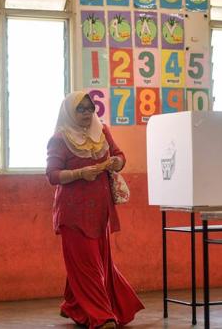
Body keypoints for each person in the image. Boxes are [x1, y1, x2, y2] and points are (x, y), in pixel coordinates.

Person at [46, 91, 144, 329]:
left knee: (93, 261)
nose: (87, 114)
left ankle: (72, 305)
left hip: (101, 211)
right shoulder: (60, 139)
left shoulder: (102, 131)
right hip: (73, 214)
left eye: (90, 109)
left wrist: (116, 162)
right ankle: (101, 315)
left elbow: (119, 154)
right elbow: (52, 175)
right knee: (88, 264)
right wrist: (80, 173)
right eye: (81, 109)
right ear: (70, 111)